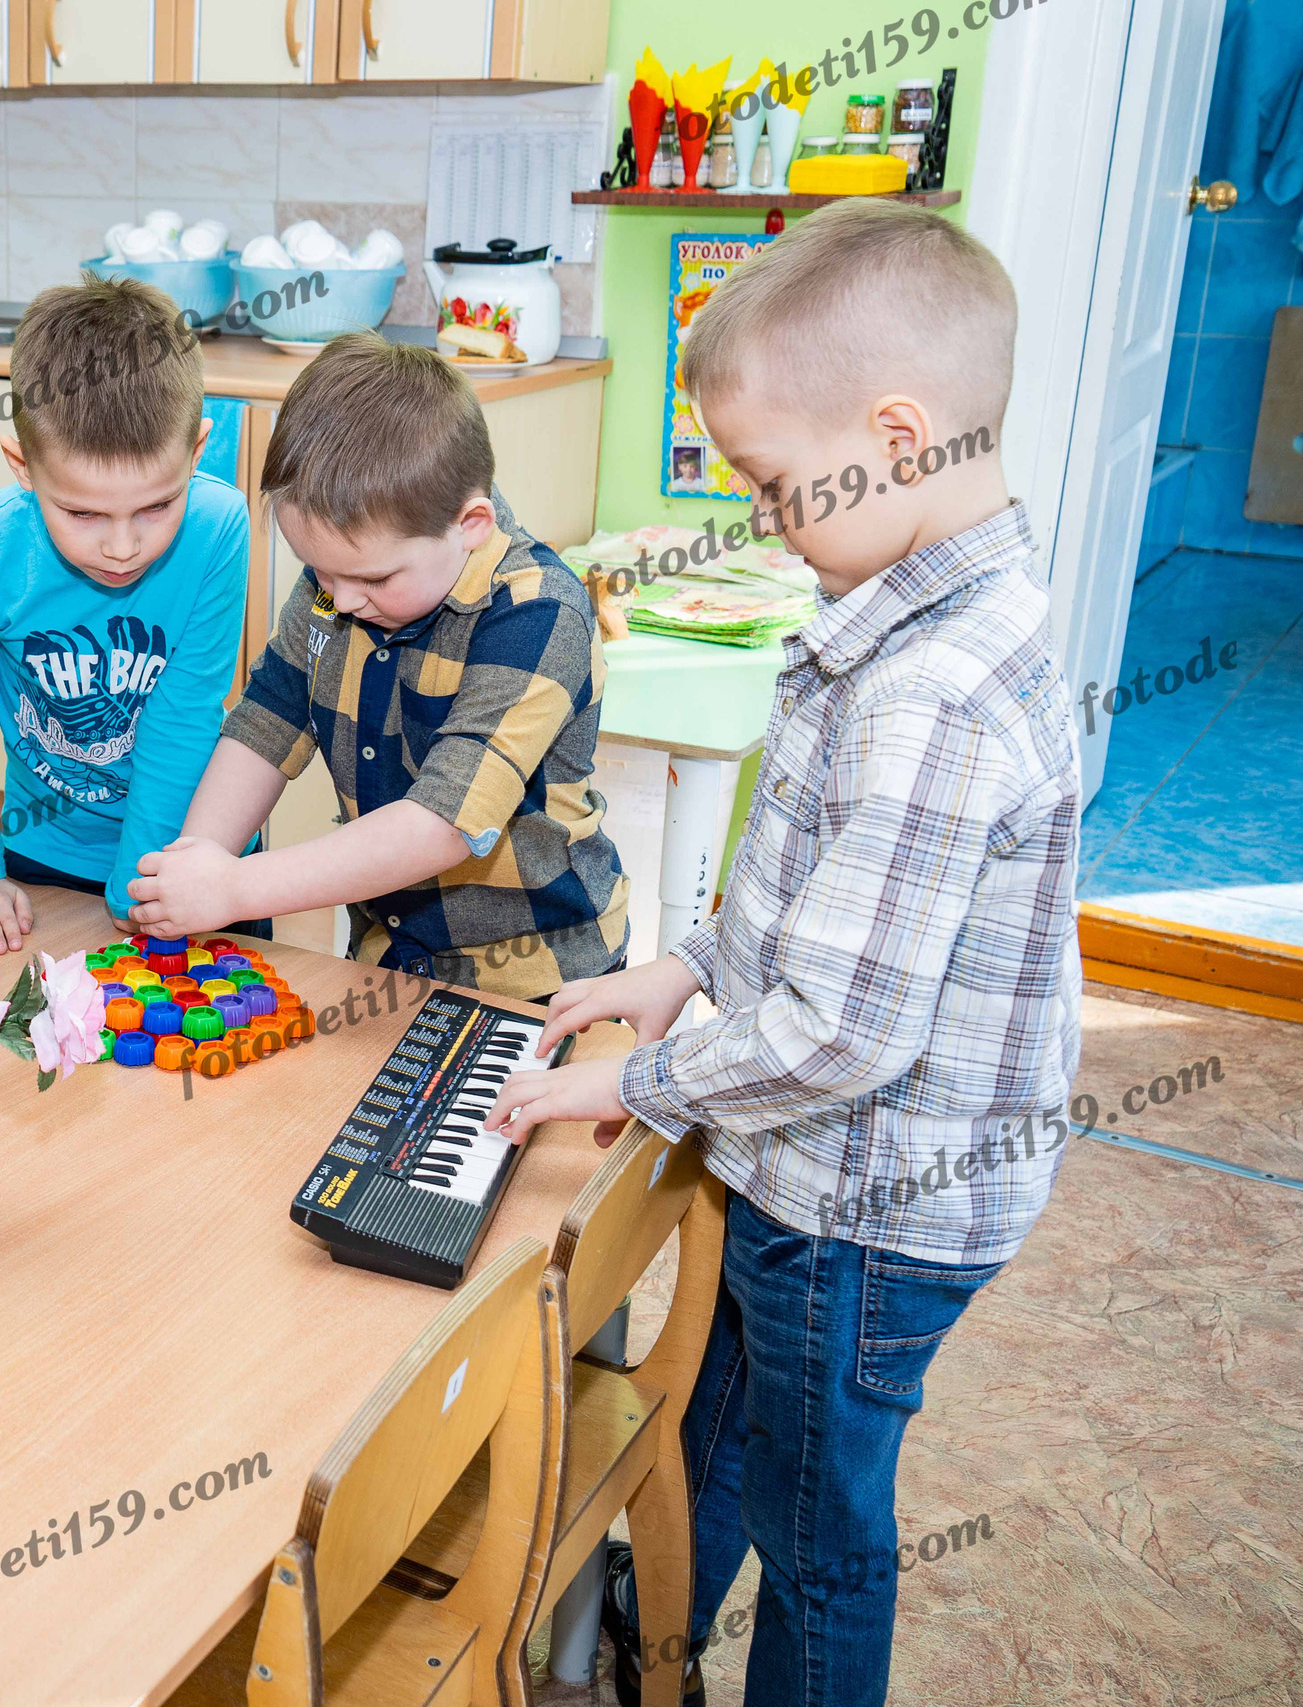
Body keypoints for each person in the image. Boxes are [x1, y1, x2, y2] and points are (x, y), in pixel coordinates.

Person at [477, 201, 1080, 1707]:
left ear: (895, 433)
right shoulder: (914, 607)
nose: (762, 516)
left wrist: (642, 1074)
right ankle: (654, 1652)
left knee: (823, 1537)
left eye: (769, 482)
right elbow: (814, 889)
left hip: (866, 1202)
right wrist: (683, 963)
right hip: (809, 1176)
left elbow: (841, 1033)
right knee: (705, 1430)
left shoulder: (927, 691)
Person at [127, 332, 628, 1001]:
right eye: (322, 574)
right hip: (390, 961)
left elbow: (441, 826)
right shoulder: (341, 583)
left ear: (470, 523)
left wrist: (237, 886)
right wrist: (195, 865)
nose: (342, 599)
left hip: (544, 978)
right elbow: (265, 725)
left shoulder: (539, 615)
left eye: (372, 577)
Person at [0, 274, 251, 952]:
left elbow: (186, 710)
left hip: (188, 851)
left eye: (157, 505)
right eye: (83, 512)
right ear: (23, 465)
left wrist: (145, 878)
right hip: (43, 851)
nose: (124, 547)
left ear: (197, 450)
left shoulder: (219, 527)